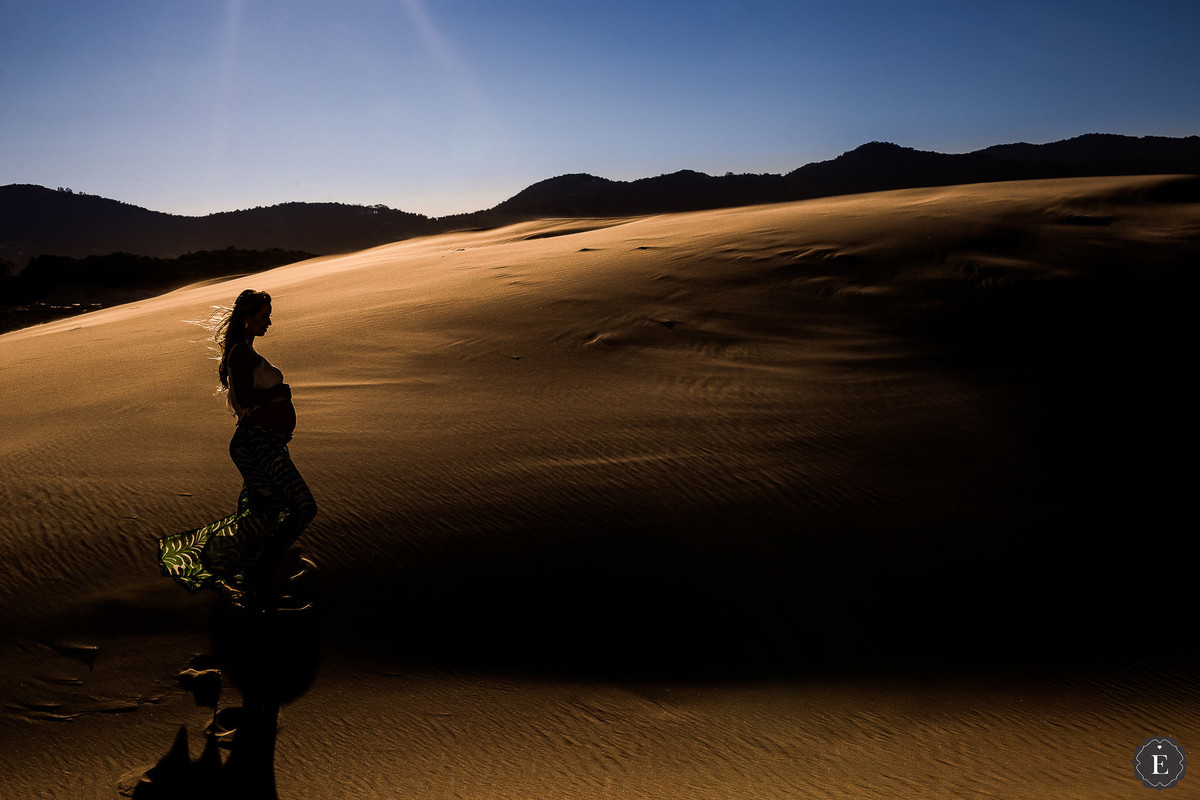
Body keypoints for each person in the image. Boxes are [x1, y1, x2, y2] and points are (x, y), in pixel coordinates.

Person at [159, 289, 317, 607]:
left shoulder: (243, 350)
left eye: (268, 316)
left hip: (261, 442)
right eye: (263, 316)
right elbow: (245, 400)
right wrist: (278, 394)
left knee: (269, 512)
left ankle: (251, 580)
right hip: (257, 442)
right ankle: (248, 572)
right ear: (246, 318)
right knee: (301, 507)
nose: (268, 322)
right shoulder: (240, 354)